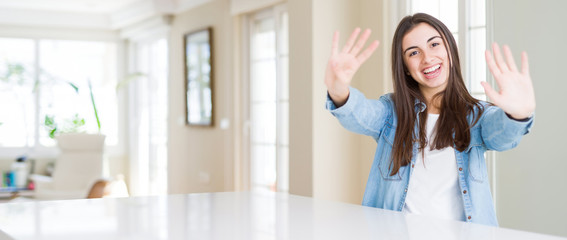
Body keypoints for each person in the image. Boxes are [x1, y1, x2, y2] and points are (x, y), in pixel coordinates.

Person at [325, 13, 535, 226]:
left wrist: (519, 114)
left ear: (450, 49)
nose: (427, 58)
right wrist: (338, 90)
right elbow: (360, 114)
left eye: (434, 44)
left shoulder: (477, 116)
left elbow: (503, 135)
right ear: (405, 67)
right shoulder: (391, 111)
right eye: (413, 52)